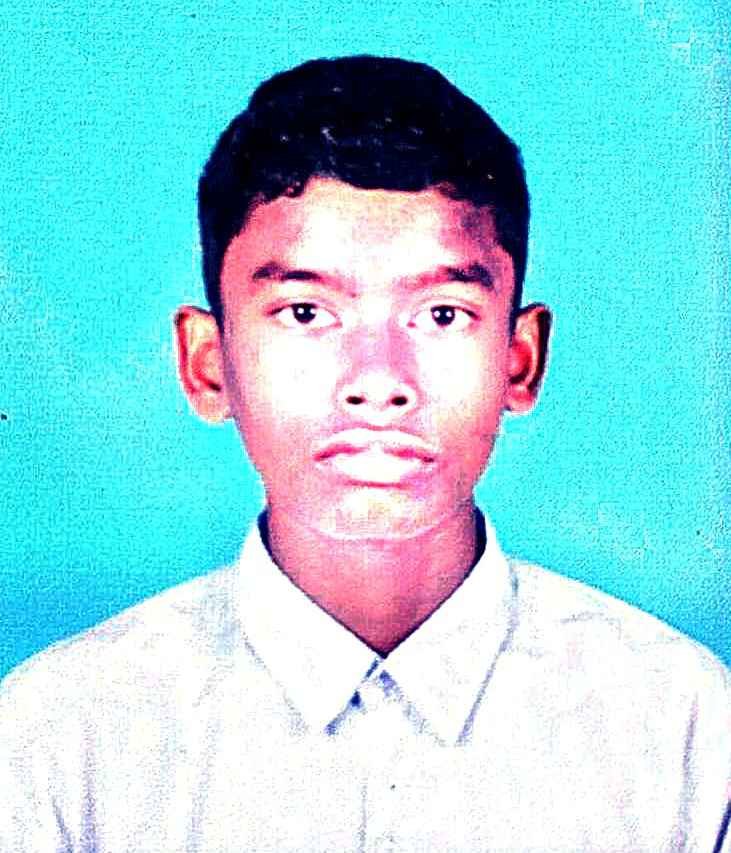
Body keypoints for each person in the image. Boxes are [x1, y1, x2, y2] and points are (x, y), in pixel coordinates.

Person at [1, 55, 728, 852]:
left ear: (519, 360)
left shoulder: (688, 731)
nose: (378, 382)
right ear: (208, 365)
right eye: (305, 311)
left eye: (442, 314)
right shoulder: (56, 740)